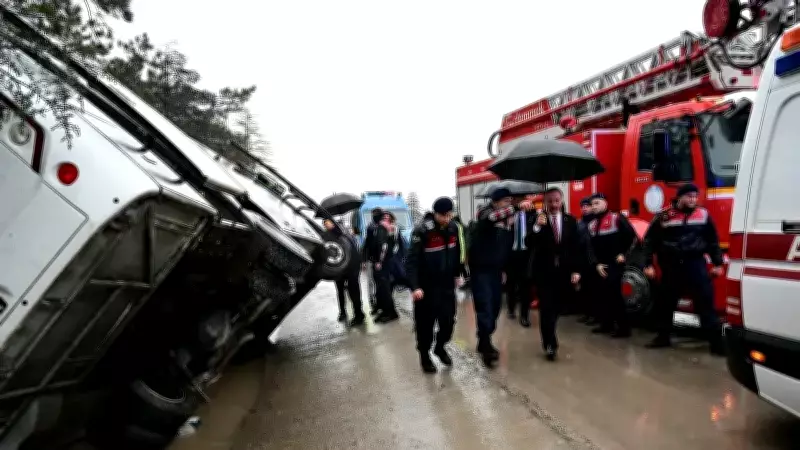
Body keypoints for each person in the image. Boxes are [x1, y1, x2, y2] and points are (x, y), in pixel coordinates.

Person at [641, 184, 725, 355]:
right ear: (679, 198)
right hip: (671, 267)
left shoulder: (703, 215)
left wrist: (718, 264)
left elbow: (712, 241)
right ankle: (662, 338)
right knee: (665, 304)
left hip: (695, 265)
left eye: (695, 196)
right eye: (689, 196)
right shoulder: (664, 217)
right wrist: (647, 264)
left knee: (705, 304)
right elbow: (649, 242)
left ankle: (716, 344)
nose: (693, 200)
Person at [469, 188, 533, 366]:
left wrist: (504, 268)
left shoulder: (507, 221)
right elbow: (491, 218)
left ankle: (484, 339)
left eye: (510, 200)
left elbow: (505, 246)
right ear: (496, 202)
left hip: (496, 270)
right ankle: (485, 345)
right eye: (506, 201)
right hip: (481, 270)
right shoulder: (485, 212)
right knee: (485, 307)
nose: (508, 203)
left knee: (496, 307)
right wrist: (517, 207)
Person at [406, 197, 465, 373]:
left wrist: (458, 274)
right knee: (425, 326)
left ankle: (440, 347)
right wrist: (415, 286)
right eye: (443, 215)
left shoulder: (453, 228)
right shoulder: (422, 231)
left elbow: (456, 254)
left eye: (449, 215)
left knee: (448, 322)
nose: (447, 219)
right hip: (426, 288)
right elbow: (411, 262)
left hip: (446, 286)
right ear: (435, 213)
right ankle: (424, 355)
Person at [527, 188, 583, 361]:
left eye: (556, 200)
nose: (553, 204)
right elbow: (528, 242)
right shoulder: (537, 220)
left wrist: (576, 270)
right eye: (550, 201)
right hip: (544, 272)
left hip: (564, 272)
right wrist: (537, 227)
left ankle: (550, 334)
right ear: (545, 202)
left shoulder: (570, 221)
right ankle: (550, 343)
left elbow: (576, 247)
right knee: (546, 309)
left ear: (562, 200)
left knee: (558, 307)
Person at [586, 193, 637, 338]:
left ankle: (624, 328)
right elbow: (590, 248)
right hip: (600, 266)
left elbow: (632, 237)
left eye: (597, 203)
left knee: (615, 295)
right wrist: (596, 264)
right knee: (602, 295)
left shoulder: (617, 219)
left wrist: (624, 255)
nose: (594, 207)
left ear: (605, 204)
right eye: (592, 204)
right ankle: (606, 324)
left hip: (615, 263)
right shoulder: (592, 225)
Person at [324, 219, 366, 326]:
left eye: (328, 223)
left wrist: (360, 263)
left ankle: (359, 314)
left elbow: (355, 250)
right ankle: (343, 312)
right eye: (325, 223)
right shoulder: (329, 235)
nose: (326, 225)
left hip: (351, 267)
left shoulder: (344, 234)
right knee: (341, 291)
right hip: (340, 269)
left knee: (354, 292)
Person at [506, 195, 536, 327]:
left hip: (526, 254)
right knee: (511, 284)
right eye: (516, 200)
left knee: (526, 287)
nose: (520, 202)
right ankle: (511, 309)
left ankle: (524, 316)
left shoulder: (532, 214)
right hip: (511, 254)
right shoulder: (509, 214)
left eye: (521, 199)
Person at [365, 209, 399, 323]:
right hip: (385, 262)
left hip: (383, 263)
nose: (385, 219)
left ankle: (391, 312)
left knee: (384, 288)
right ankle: (384, 310)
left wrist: (379, 261)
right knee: (382, 288)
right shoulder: (390, 228)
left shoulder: (383, 228)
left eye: (387, 217)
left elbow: (383, 246)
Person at [576, 197, 598, 326]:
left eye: (587, 206)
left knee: (594, 289)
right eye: (583, 206)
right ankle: (587, 313)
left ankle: (596, 315)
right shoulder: (579, 223)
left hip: (594, 260)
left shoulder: (596, 222)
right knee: (585, 288)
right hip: (583, 260)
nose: (585, 208)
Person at [362, 208, 383, 311]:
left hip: (382, 260)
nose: (375, 216)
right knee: (371, 281)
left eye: (377, 214)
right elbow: (366, 244)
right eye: (373, 214)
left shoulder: (383, 227)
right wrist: (364, 260)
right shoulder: (370, 227)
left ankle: (380, 301)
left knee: (380, 281)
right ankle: (372, 300)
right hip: (371, 259)